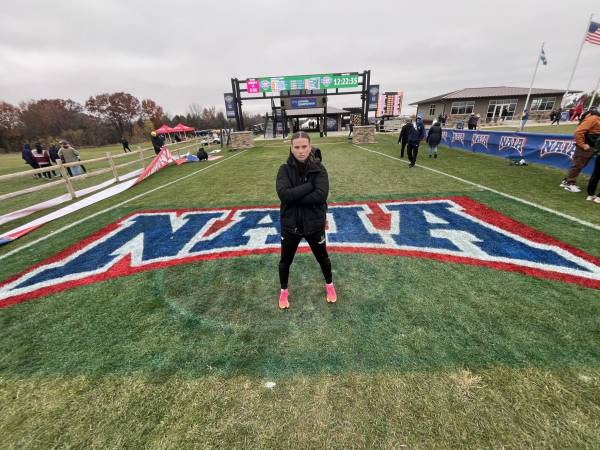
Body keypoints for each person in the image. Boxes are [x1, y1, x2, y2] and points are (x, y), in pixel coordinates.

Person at [275, 131, 335, 309]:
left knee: (323, 258)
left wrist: (294, 196)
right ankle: (283, 290)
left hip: (314, 224)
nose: (301, 151)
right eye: (297, 147)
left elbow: (321, 195)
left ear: (310, 147)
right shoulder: (284, 169)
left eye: (304, 146)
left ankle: (330, 285)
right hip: (290, 225)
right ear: (291, 149)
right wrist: (309, 186)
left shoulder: (320, 169)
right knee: (285, 261)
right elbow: (284, 195)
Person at [560, 109, 600, 192]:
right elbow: (578, 132)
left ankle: (567, 181)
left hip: (591, 146)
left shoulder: (596, 118)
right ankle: (569, 183)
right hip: (585, 146)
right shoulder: (593, 118)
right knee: (578, 165)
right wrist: (582, 144)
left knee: (580, 165)